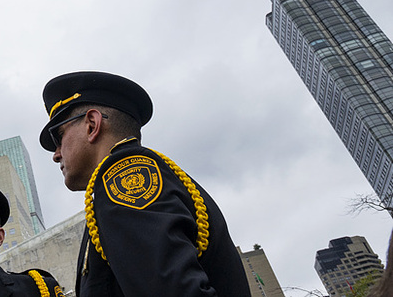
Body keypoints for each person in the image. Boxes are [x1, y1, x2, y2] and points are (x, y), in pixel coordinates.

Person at [39, 71, 250, 297]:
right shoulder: (131, 180)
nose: (56, 155)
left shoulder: (125, 174)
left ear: (92, 124)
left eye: (58, 138)